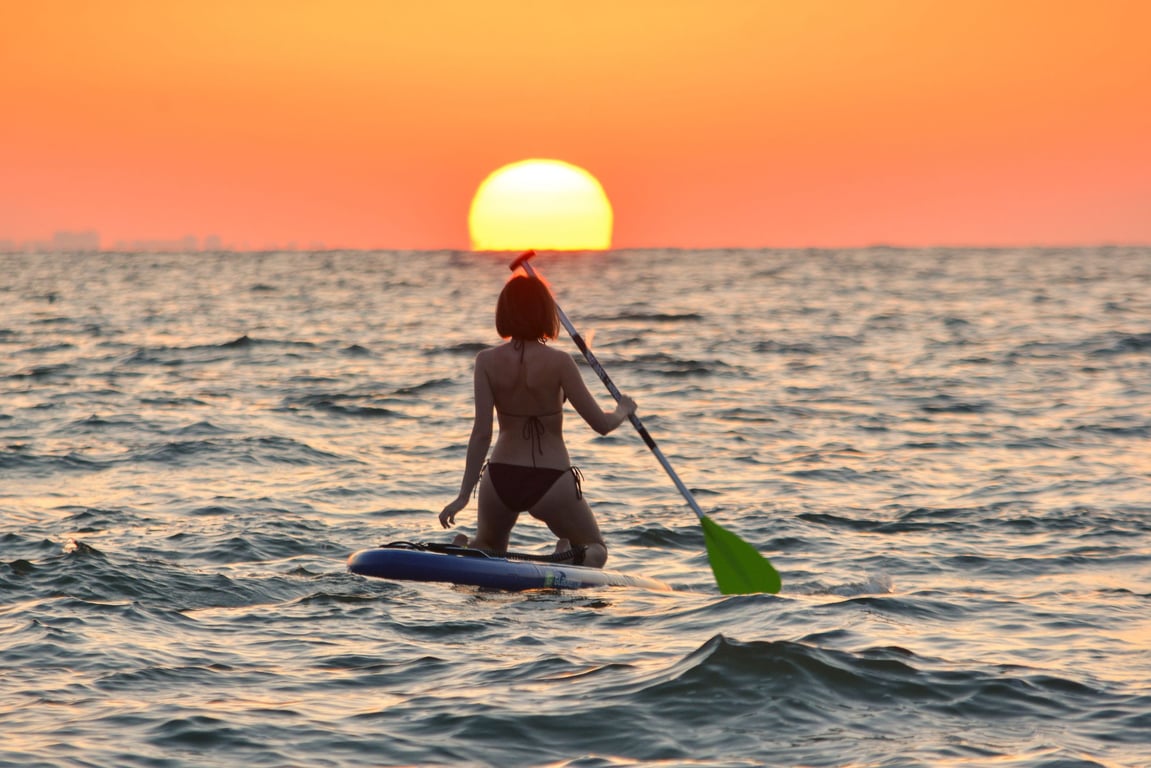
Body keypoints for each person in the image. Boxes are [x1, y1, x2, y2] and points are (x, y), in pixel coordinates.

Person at [439, 273, 636, 568]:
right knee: (596, 549)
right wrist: (623, 409)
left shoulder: (486, 361)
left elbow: (481, 433)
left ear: (504, 313)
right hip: (551, 479)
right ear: (546, 313)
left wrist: (463, 496)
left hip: (500, 477)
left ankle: (469, 547)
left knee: (490, 549)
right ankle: (572, 554)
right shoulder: (560, 362)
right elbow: (602, 425)